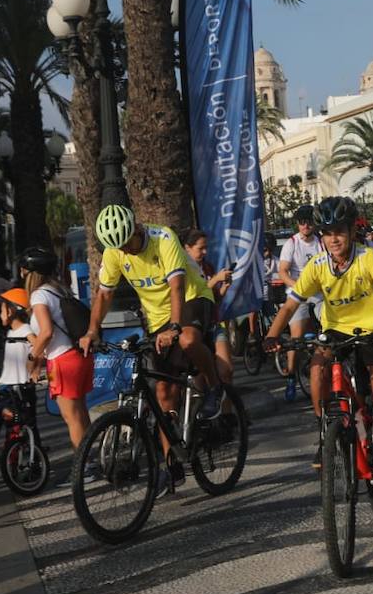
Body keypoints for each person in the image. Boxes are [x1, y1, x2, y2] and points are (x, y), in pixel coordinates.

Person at [263, 196, 373, 486]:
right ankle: (326, 432)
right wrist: (271, 335)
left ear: (351, 232)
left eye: (339, 232)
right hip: (335, 331)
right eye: (327, 234)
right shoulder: (317, 265)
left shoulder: (366, 257)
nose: (334, 239)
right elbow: (291, 306)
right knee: (318, 371)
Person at [81, 206, 225, 492]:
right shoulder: (115, 251)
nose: (125, 251)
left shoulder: (163, 238)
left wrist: (174, 326)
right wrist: (92, 331)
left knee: (187, 339)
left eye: (127, 243)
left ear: (136, 228)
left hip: (192, 299)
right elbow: (105, 293)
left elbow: (177, 288)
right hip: (157, 317)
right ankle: (172, 467)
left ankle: (214, 387)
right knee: (162, 395)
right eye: (118, 247)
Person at [20, 246, 95, 463]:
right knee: (81, 413)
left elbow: (46, 333)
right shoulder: (59, 289)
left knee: (71, 418)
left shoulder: (38, 296)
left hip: (62, 361)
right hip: (79, 357)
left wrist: (32, 359)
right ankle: (90, 461)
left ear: (29, 272)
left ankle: (84, 466)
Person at [0, 287, 38, 454]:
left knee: (19, 423)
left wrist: (35, 370)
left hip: (19, 386)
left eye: (2, 310)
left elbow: (38, 346)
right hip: (5, 385)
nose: (0, 315)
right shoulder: (11, 332)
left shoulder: (26, 330)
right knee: (0, 423)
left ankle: (30, 458)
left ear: (12, 310)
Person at [278, 205, 322, 401]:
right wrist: (298, 287)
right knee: (296, 338)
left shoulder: (320, 242)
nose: (306, 225)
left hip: (318, 292)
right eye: (302, 222)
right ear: (298, 223)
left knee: (330, 328)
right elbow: (283, 272)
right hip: (297, 293)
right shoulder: (292, 243)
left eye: (309, 222)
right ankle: (290, 378)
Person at [183, 228, 236, 387]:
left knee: (226, 372)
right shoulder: (183, 269)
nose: (205, 252)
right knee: (201, 379)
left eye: (206, 248)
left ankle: (227, 411)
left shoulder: (208, 267)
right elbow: (196, 294)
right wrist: (215, 280)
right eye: (200, 248)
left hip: (214, 323)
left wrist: (224, 287)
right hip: (194, 327)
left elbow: (214, 299)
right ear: (187, 248)